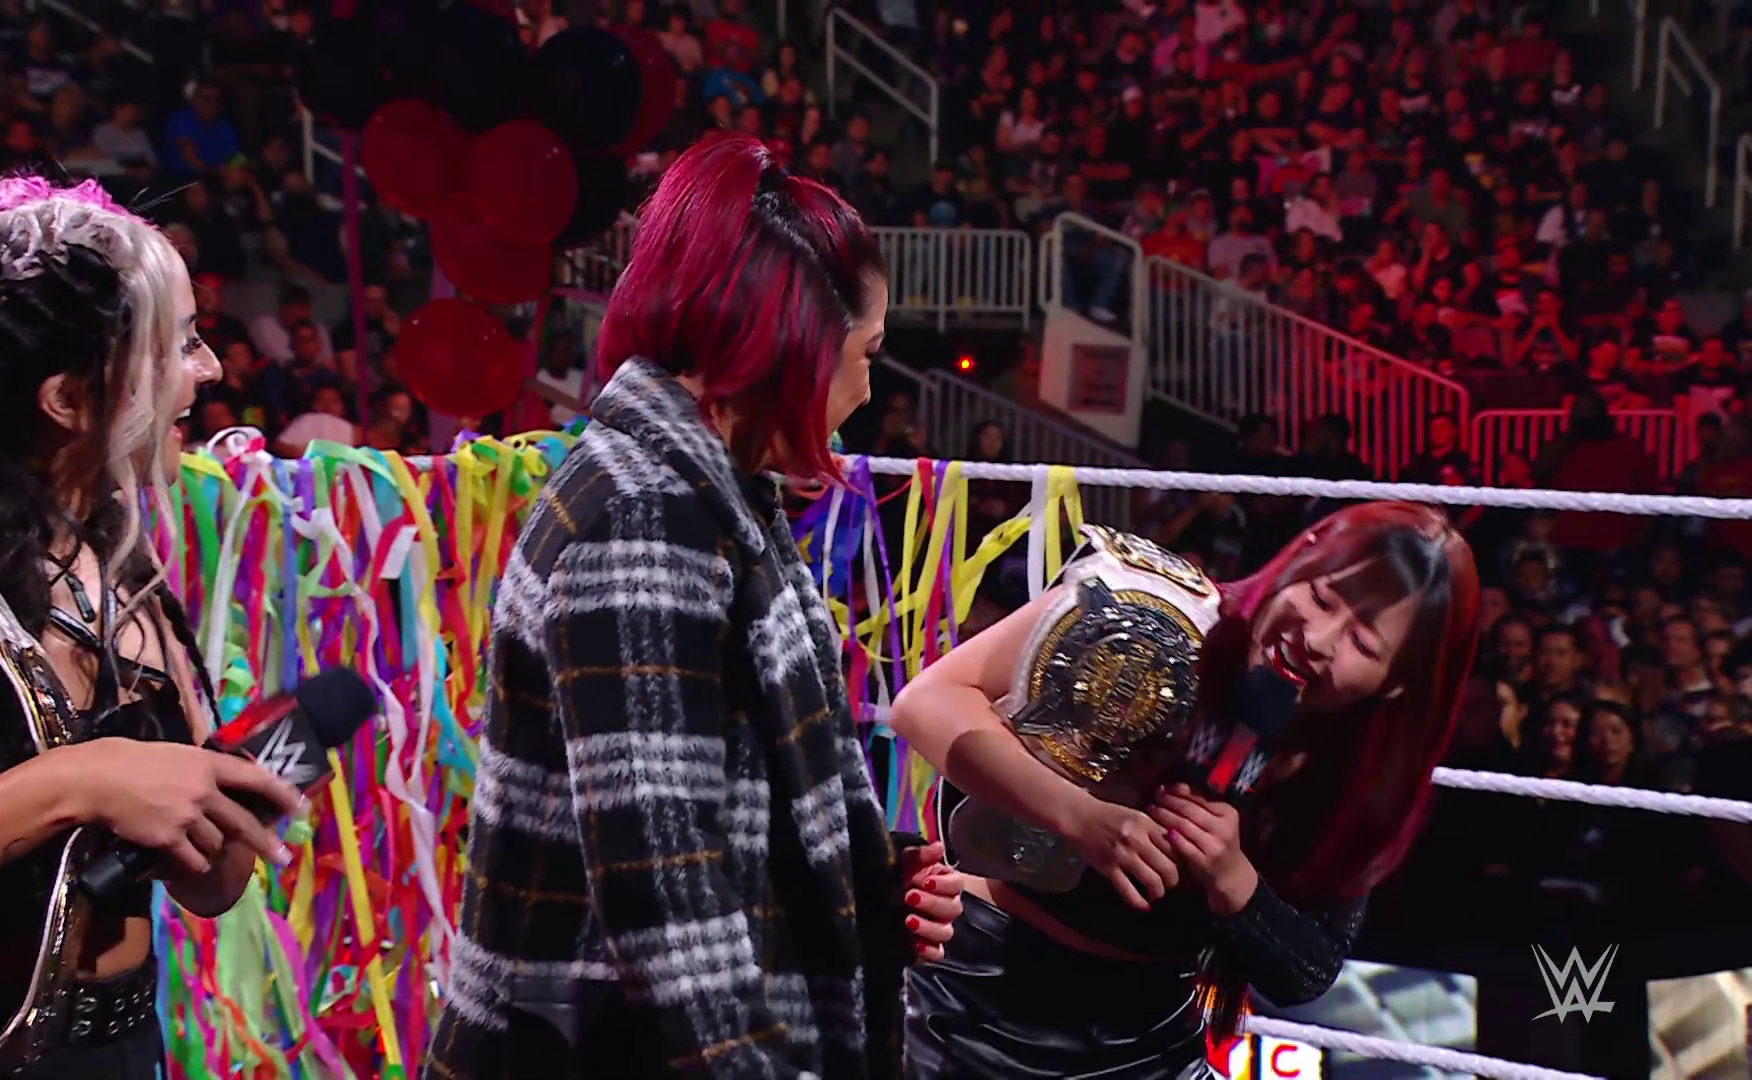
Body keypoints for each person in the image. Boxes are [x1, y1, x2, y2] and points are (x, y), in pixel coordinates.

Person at [424, 134, 962, 1080]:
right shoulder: (645, 513)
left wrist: (864, 880)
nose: (868, 388)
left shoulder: (704, 490)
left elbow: (724, 795)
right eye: (866, 352)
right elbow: (663, 887)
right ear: (793, 342)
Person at [0, 176, 303, 1079]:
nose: (210, 370)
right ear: (67, 399)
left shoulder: (115, 555)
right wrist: (77, 781)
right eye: (180, 344)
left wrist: (227, 811)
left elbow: (207, 889)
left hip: (121, 1050)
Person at [890, 502, 1480, 1078]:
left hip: (1150, 1039)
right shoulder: (1150, 612)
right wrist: (1079, 815)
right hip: (974, 991)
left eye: (1364, 644)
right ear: (1301, 556)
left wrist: (1234, 882)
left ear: (1397, 685)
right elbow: (927, 702)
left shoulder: (1355, 776)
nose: (1319, 638)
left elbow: (1307, 971)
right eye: (1322, 598)